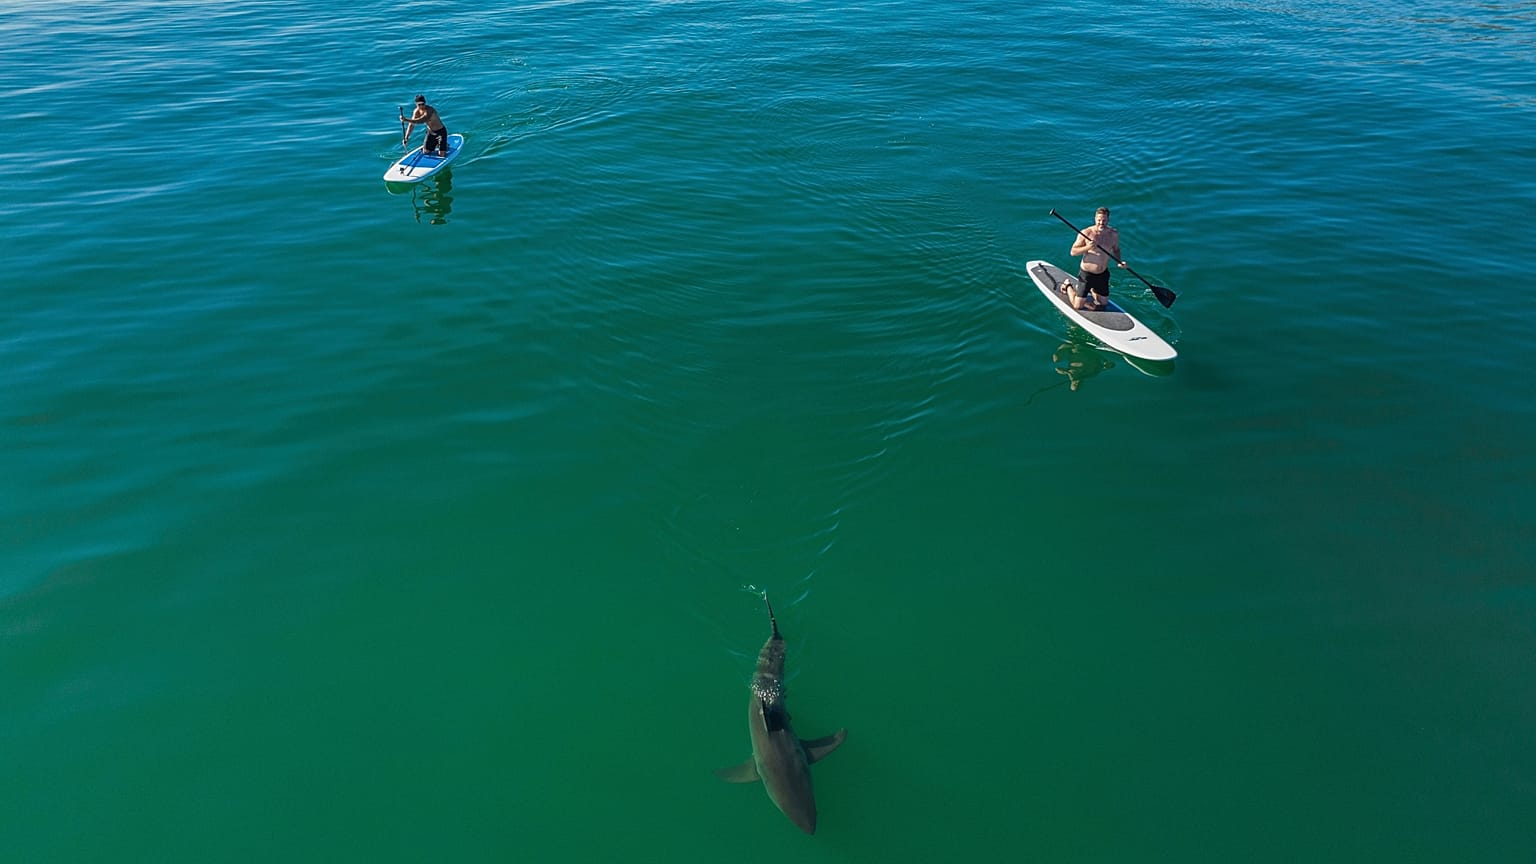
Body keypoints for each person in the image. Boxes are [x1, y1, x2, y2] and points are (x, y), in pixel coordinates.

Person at [1068, 207, 1125, 311]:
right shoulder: (1086, 233)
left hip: (1102, 274)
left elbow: (1116, 250)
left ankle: (1093, 290)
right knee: (1078, 306)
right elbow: (1073, 252)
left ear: (1108, 220)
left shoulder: (1113, 234)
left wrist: (1119, 261)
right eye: (1099, 220)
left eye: (1104, 220)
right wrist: (1088, 247)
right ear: (1095, 219)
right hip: (1087, 274)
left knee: (1103, 304)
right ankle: (1068, 286)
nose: (1101, 223)